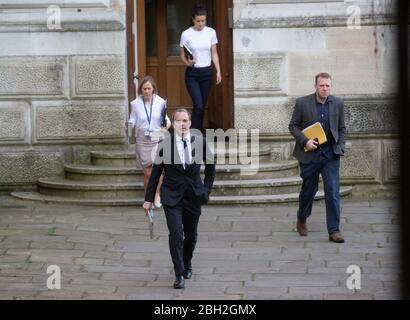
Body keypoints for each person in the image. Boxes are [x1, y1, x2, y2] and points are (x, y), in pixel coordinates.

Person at [142, 108, 215, 289]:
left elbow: (211, 166)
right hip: (171, 196)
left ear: (190, 123)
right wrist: (148, 199)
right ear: (173, 124)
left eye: (185, 120)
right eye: (178, 121)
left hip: (193, 196)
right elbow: (156, 173)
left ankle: (187, 262)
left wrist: (206, 190)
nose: (182, 124)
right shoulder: (164, 144)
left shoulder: (200, 141)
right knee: (175, 234)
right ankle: (179, 273)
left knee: (191, 236)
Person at [288, 72, 346, 243]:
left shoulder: (338, 103)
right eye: (322, 85)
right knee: (308, 191)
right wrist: (305, 141)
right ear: (315, 86)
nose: (325, 88)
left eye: (328, 85)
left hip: (330, 155)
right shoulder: (302, 103)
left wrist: (340, 147)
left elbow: (342, 128)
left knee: (333, 192)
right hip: (309, 155)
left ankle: (334, 230)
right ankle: (302, 217)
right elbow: (293, 126)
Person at [128, 75, 171, 208]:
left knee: (156, 170)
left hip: (157, 138)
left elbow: (166, 119)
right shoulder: (135, 104)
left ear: (153, 89)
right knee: (147, 172)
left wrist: (167, 126)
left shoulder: (160, 102)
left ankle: (156, 194)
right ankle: (148, 197)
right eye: (144, 89)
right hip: (142, 139)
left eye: (149, 88)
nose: (146, 91)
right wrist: (128, 125)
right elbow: (132, 119)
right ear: (141, 90)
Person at [179, 4, 222, 131]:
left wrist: (218, 71)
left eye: (203, 21)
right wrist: (189, 64)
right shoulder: (186, 34)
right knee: (198, 104)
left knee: (202, 105)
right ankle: (195, 131)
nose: (200, 23)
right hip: (192, 73)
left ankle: (197, 130)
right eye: (198, 21)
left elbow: (214, 53)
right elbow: (182, 55)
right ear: (193, 19)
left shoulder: (211, 32)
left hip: (207, 73)